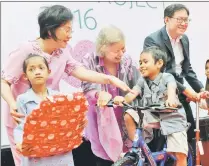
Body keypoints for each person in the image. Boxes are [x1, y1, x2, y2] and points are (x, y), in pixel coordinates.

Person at [1, 5, 132, 166]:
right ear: (50, 30)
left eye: (71, 30)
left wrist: (109, 79)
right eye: (66, 30)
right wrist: (12, 104)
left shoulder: (62, 52)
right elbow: (4, 81)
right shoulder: (25, 50)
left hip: (51, 118)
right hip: (23, 119)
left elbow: (78, 70)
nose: (70, 35)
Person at [114, 46, 189, 166]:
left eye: (145, 62)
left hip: (172, 118)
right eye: (140, 62)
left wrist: (170, 98)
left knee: (179, 153)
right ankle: (137, 150)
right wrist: (122, 99)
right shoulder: (142, 80)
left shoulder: (167, 77)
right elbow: (133, 93)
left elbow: (171, 87)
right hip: (152, 115)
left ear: (159, 63)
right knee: (129, 114)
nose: (141, 65)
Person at [80, 25, 141, 166]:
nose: (121, 53)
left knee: (128, 157)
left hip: (124, 117)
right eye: (116, 51)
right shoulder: (89, 60)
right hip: (100, 118)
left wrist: (127, 98)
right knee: (104, 157)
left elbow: (137, 86)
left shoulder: (127, 60)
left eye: (123, 49)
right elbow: (87, 87)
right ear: (103, 48)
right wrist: (99, 94)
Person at [143, 3, 204, 143]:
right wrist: (187, 92)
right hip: (162, 95)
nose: (184, 23)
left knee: (190, 133)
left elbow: (187, 70)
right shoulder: (153, 40)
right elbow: (159, 73)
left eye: (186, 20)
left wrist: (200, 89)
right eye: (180, 19)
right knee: (166, 141)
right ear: (166, 19)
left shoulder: (185, 39)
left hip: (180, 92)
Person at [14, 54, 75, 166]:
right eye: (31, 69)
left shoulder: (59, 97)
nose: (37, 72)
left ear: (49, 71)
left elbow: (67, 123)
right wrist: (20, 143)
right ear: (25, 75)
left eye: (41, 68)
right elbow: (20, 127)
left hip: (59, 151)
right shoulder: (22, 99)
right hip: (36, 153)